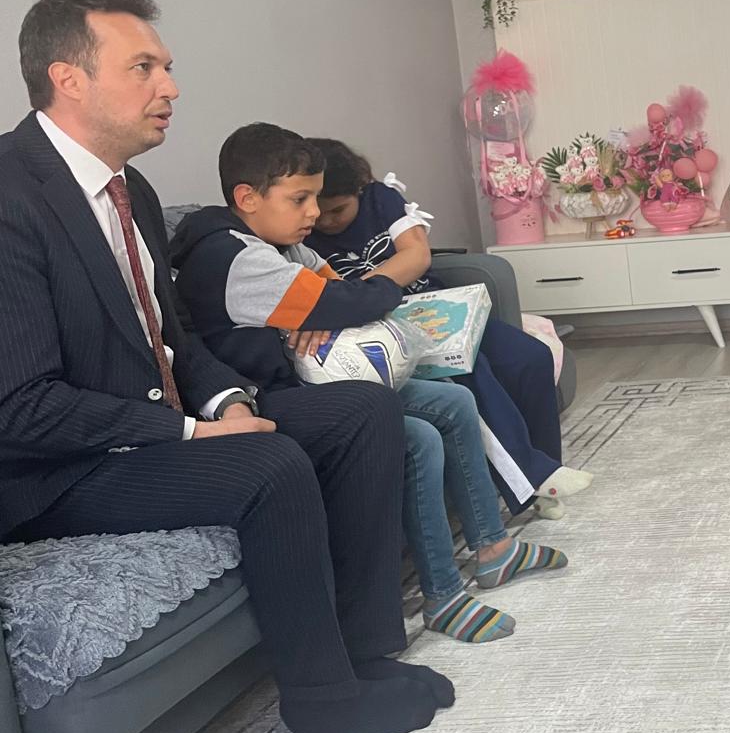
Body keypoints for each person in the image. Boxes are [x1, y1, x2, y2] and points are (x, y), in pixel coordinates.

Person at [0, 0, 446, 733]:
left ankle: (364, 652)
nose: (170, 87)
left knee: (361, 412)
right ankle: (321, 699)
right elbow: (20, 407)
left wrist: (229, 403)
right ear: (68, 78)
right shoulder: (11, 195)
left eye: (166, 67)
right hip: (59, 468)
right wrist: (189, 435)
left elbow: (172, 338)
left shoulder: (130, 190)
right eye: (143, 67)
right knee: (268, 465)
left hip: (152, 428)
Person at [170, 124, 567, 645]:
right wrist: (334, 305)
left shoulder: (281, 243)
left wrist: (330, 306)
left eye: (316, 198)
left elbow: (337, 290)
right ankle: (443, 596)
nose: (313, 214)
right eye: (300, 199)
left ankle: (494, 550)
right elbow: (351, 300)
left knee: (454, 400)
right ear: (247, 198)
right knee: (418, 438)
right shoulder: (235, 258)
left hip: (313, 381)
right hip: (267, 399)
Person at [302, 138, 590, 518]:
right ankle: (533, 478)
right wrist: (360, 301)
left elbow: (417, 255)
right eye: (319, 212)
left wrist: (353, 294)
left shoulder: (379, 198)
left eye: (337, 210)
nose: (325, 221)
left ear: (357, 189)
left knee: (531, 356)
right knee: (470, 369)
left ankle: (546, 474)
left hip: (436, 310)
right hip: (383, 329)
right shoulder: (302, 228)